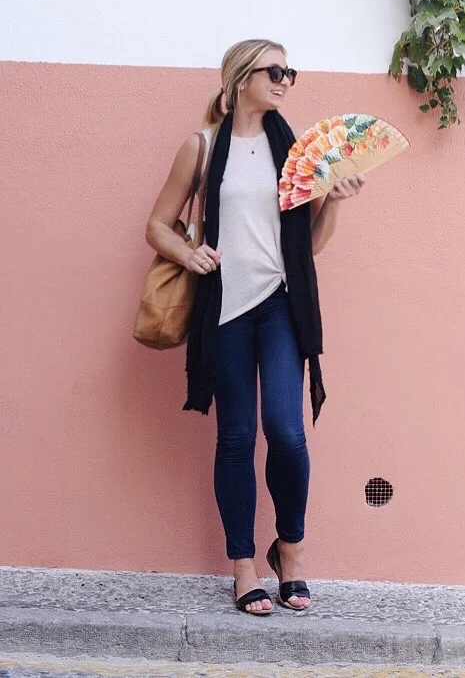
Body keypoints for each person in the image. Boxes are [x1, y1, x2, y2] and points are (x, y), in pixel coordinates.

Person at [146, 39, 364, 615]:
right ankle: (243, 565)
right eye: (275, 70)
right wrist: (189, 255)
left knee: (287, 435)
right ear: (241, 79)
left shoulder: (294, 154)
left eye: (290, 71)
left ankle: (288, 551)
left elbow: (308, 247)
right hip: (226, 307)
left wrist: (335, 201)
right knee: (237, 437)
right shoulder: (202, 147)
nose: (286, 80)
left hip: (280, 303)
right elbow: (158, 226)